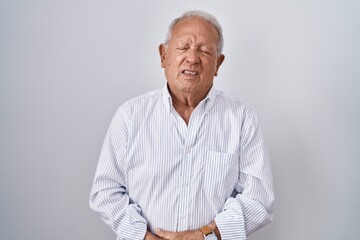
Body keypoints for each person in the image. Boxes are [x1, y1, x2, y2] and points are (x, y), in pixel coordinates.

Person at [89, 10, 274, 240]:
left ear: (218, 63)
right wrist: (143, 236)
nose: (193, 58)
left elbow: (259, 199)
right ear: (163, 55)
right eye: (183, 47)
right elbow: (105, 192)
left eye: (205, 51)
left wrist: (206, 234)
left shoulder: (243, 119)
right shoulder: (130, 116)